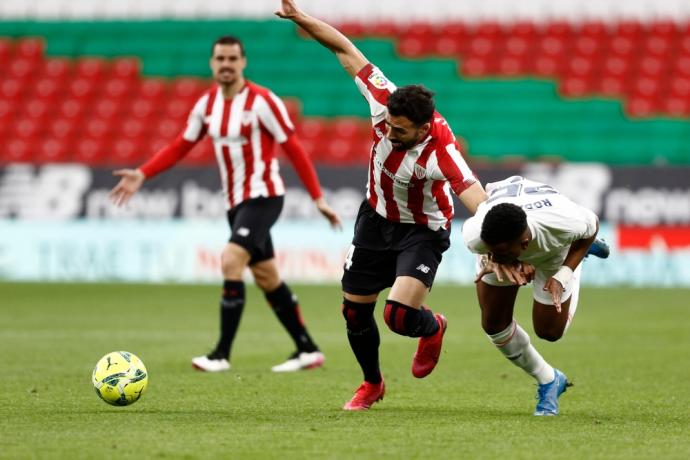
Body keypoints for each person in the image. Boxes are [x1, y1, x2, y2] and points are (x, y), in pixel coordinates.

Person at [276, 0, 488, 410]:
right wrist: (303, 19)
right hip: (374, 219)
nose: (389, 133)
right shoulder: (384, 101)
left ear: (424, 128)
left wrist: (500, 240)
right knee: (354, 313)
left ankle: (434, 326)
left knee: (398, 318)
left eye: (400, 130)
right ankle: (372, 383)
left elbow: (475, 196)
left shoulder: (441, 153)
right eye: (388, 124)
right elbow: (345, 50)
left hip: (422, 230)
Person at [109, 35, 341, 374]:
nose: (227, 65)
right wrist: (143, 173)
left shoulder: (263, 102)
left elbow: (293, 147)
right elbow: (180, 145)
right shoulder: (206, 105)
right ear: (212, 63)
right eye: (221, 59)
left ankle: (220, 354)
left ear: (243, 62)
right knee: (267, 277)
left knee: (231, 259)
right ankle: (307, 349)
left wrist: (317, 196)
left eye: (233, 59)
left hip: (264, 197)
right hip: (235, 203)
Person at [462, 175, 607, 416]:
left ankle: (577, 252)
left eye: (499, 252)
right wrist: (494, 258)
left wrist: (565, 272)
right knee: (494, 324)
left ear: (525, 243)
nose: (495, 254)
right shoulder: (477, 235)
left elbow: (593, 225)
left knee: (549, 331)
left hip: (554, 250)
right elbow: (493, 246)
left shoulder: (564, 223)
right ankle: (549, 379)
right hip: (509, 239)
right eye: (490, 249)